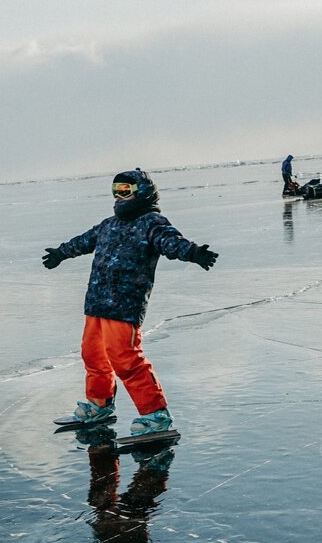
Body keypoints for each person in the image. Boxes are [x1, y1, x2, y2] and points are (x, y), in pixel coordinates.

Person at [42, 169, 218, 436]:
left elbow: (170, 242)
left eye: (125, 190)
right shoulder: (108, 224)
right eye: (116, 191)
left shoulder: (151, 222)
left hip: (125, 305)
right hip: (97, 303)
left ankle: (155, 415)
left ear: (143, 192)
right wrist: (60, 253)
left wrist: (193, 252)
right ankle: (98, 405)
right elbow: (83, 241)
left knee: (125, 359)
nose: (119, 197)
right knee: (93, 355)